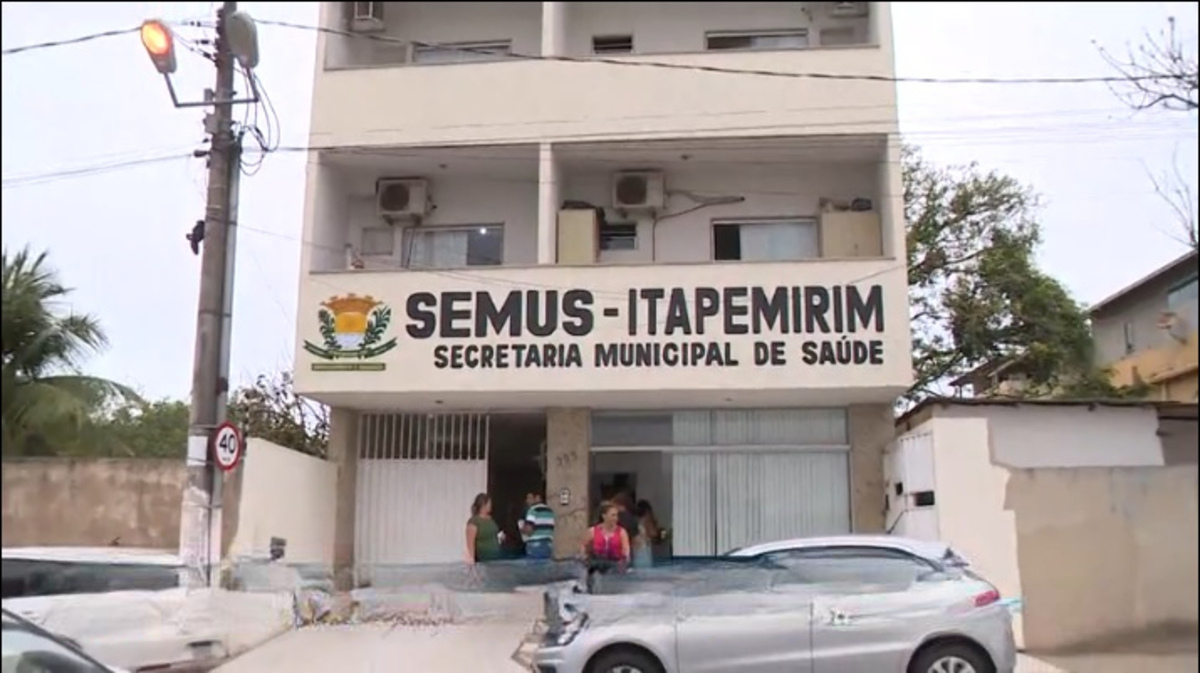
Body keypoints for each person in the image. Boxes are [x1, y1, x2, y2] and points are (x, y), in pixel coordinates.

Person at [581, 502, 630, 572]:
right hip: (597, 565)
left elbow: (626, 550)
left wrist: (625, 562)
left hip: (615, 565)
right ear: (604, 516)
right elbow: (584, 546)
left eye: (616, 515)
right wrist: (585, 559)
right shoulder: (592, 531)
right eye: (612, 515)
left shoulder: (621, 532)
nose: (615, 518)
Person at [465, 493, 503, 564]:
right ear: (484, 505)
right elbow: (470, 542)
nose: (491, 505)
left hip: (496, 556)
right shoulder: (474, 521)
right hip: (484, 557)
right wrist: (471, 559)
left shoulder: (490, 519)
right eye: (489, 503)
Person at [520, 492, 556, 560]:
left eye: (529, 498)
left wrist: (522, 529)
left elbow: (529, 531)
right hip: (548, 544)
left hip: (535, 545)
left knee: (534, 568)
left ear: (537, 497)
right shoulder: (550, 511)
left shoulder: (533, 510)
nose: (527, 501)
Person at [634, 499, 661, 568]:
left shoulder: (637, 521)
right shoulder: (647, 520)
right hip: (645, 546)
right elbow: (653, 533)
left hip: (637, 547)